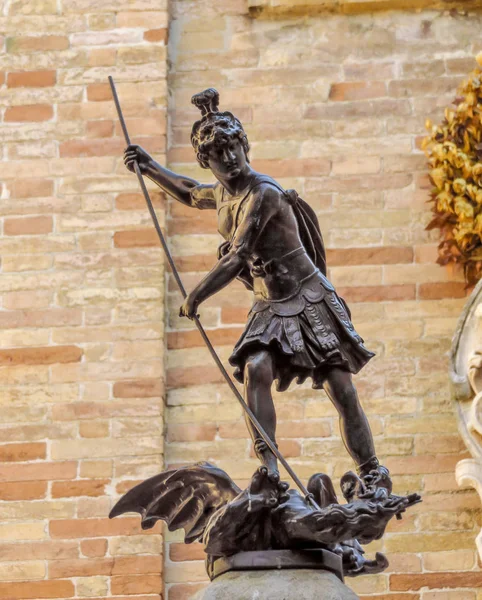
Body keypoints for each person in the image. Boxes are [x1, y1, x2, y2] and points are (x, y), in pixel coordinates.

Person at [124, 88, 391, 494]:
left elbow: (237, 257)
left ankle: (372, 471)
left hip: (308, 298)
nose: (229, 158)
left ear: (244, 145)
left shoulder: (263, 193)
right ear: (207, 160)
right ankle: (269, 465)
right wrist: (149, 167)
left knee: (341, 387)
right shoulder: (221, 195)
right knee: (256, 369)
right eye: (217, 153)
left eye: (233, 147)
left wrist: (195, 297)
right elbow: (188, 190)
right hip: (269, 303)